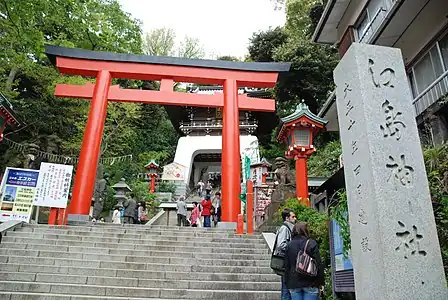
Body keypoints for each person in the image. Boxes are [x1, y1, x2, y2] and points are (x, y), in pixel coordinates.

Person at [284, 223, 324, 300]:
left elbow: (286, 265)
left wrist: (287, 283)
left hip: (294, 282)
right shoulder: (311, 243)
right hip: (310, 282)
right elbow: (318, 264)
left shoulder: (289, 245)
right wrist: (320, 283)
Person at [272, 208, 296, 300]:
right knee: (286, 289)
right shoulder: (285, 229)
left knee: (287, 288)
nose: (295, 218)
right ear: (287, 218)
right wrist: (293, 247)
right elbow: (281, 245)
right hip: (286, 262)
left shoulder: (288, 228)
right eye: (293, 217)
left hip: (288, 261)